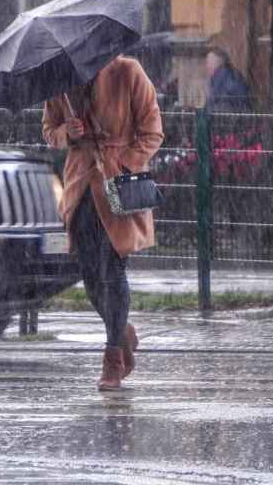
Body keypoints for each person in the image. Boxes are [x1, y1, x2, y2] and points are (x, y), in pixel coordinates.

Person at [42, 56, 164, 392]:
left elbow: (152, 130)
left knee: (112, 270)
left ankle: (113, 356)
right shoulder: (60, 82)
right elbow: (49, 131)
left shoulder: (127, 71)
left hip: (118, 190)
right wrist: (67, 132)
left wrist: (124, 162)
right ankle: (121, 330)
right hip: (80, 188)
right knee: (90, 275)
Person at [205, 46, 252, 113]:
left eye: (208, 62)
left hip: (228, 120)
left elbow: (221, 105)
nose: (206, 66)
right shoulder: (230, 75)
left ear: (216, 63)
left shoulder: (223, 79)